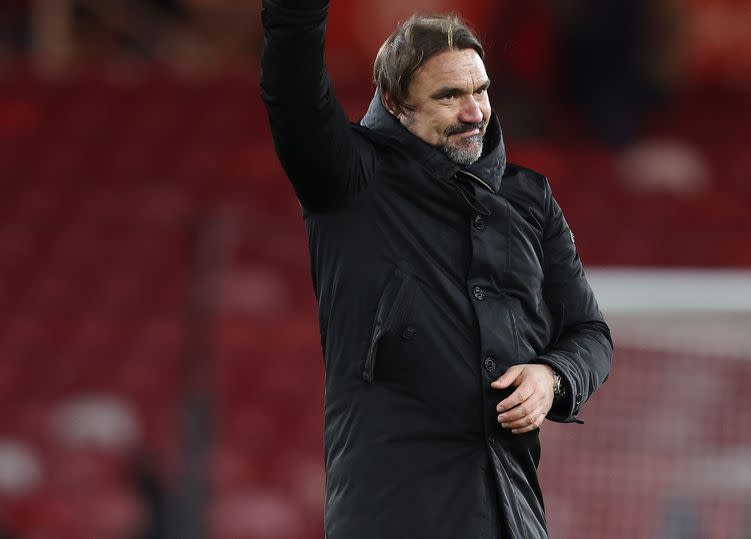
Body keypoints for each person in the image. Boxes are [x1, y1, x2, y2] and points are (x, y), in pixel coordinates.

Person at [259, 2, 613, 537]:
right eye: (450, 96)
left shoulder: (530, 199)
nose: (474, 112)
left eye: (481, 90)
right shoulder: (350, 178)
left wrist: (553, 376)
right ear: (396, 104)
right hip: (393, 515)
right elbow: (293, 89)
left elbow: (590, 334)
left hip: (511, 516)